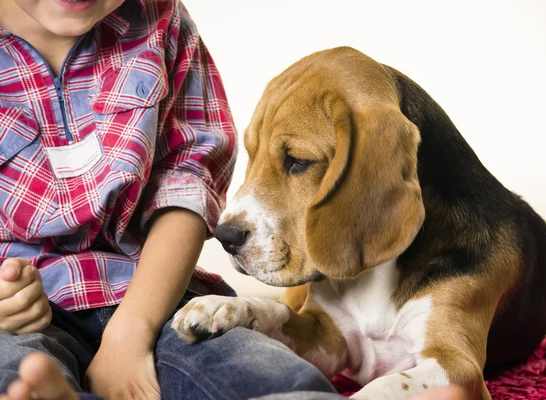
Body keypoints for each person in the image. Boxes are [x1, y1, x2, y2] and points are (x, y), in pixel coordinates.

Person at [0, 0, 340, 398]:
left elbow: (189, 181)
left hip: (156, 296)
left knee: (267, 372)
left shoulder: (162, 22)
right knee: (12, 373)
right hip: (18, 318)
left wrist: (133, 329)